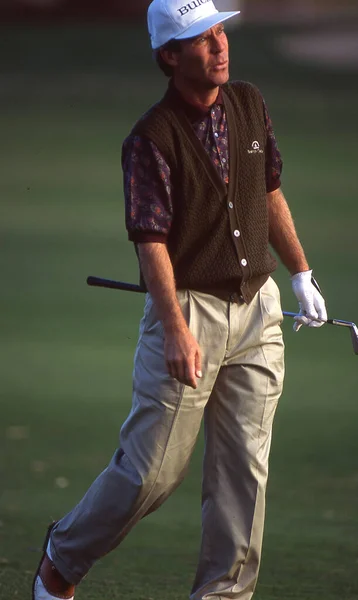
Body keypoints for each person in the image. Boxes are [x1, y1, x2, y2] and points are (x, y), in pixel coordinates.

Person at [33, 1, 328, 599]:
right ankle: (61, 561)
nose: (219, 45)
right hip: (189, 311)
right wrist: (173, 327)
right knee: (151, 475)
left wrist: (301, 273)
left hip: (258, 311)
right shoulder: (151, 138)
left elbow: (269, 191)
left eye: (220, 30)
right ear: (169, 56)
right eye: (200, 38)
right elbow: (151, 241)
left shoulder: (248, 103)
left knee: (243, 476)